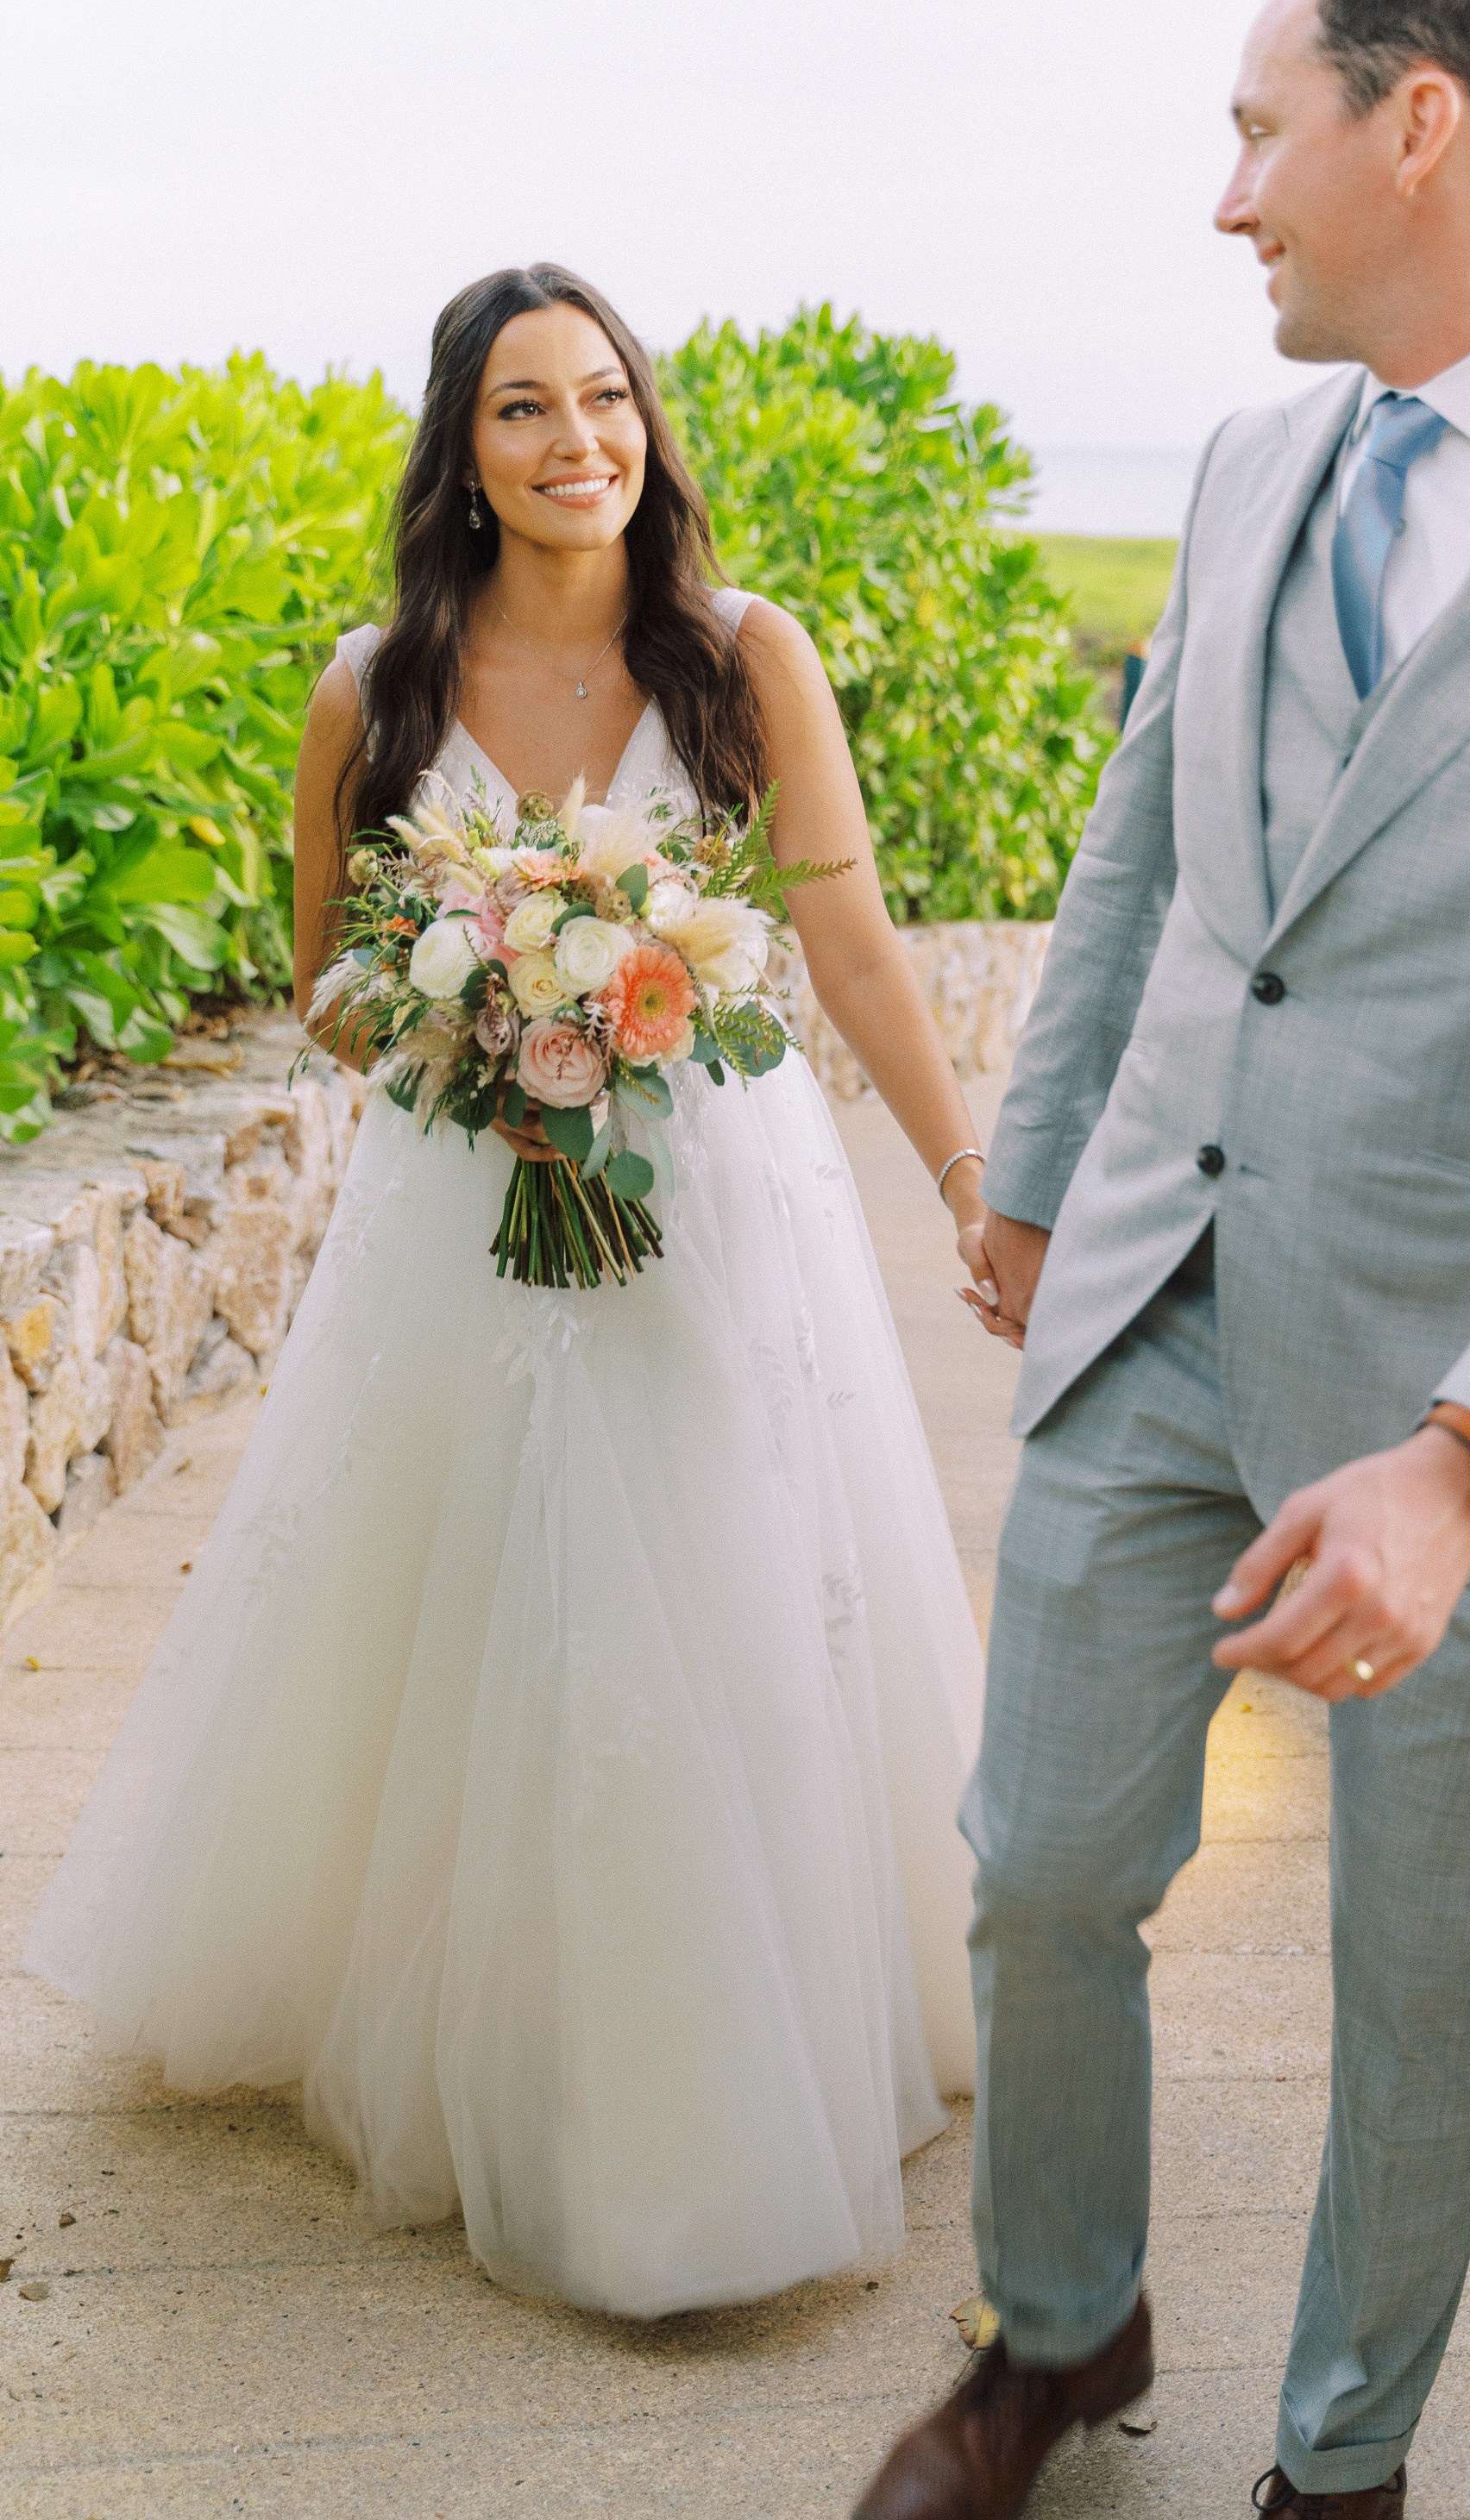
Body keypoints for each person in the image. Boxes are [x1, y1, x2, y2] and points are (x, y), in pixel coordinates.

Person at [859, 0, 1470, 2513]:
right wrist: (1032, 1183)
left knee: (1420, 1972)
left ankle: (1343, 2462)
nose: (1228, 198)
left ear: (1420, 122)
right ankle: (1059, 2330)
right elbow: (1144, 848)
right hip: (1152, 1302)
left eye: (1262, 130)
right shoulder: (1252, 469)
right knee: (1039, 1866)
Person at [27, 262, 991, 2318]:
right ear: (461, 456)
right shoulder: (375, 687)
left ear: (650, 424)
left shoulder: (746, 660)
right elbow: (326, 994)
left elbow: (851, 955)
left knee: (714, 1594)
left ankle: (724, 2051)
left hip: (716, 1214)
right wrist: (487, 1034)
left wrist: (972, 1182)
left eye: (608, 400)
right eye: (525, 412)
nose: (581, 446)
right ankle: (522, 2048)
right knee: (490, 1616)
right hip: (471, 1219)